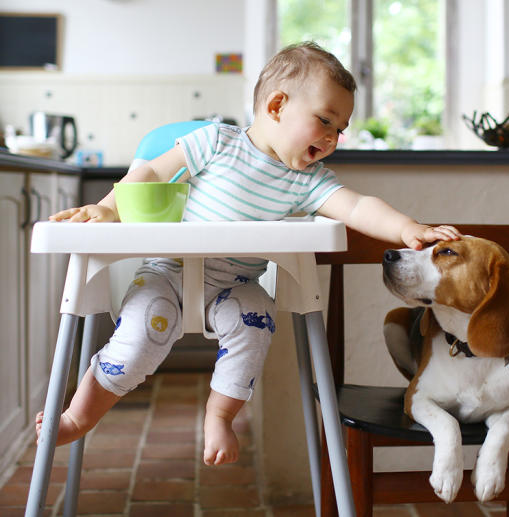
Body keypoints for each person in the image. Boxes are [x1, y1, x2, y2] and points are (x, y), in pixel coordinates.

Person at [40, 41, 461, 466]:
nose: (334, 137)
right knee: (136, 340)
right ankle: (78, 417)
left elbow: (356, 206)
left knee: (255, 320)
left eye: (341, 128)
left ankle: (220, 414)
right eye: (326, 121)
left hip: (235, 286)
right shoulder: (215, 141)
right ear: (277, 105)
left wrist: (410, 228)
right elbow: (150, 172)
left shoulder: (306, 181)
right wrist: (108, 208)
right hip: (167, 272)